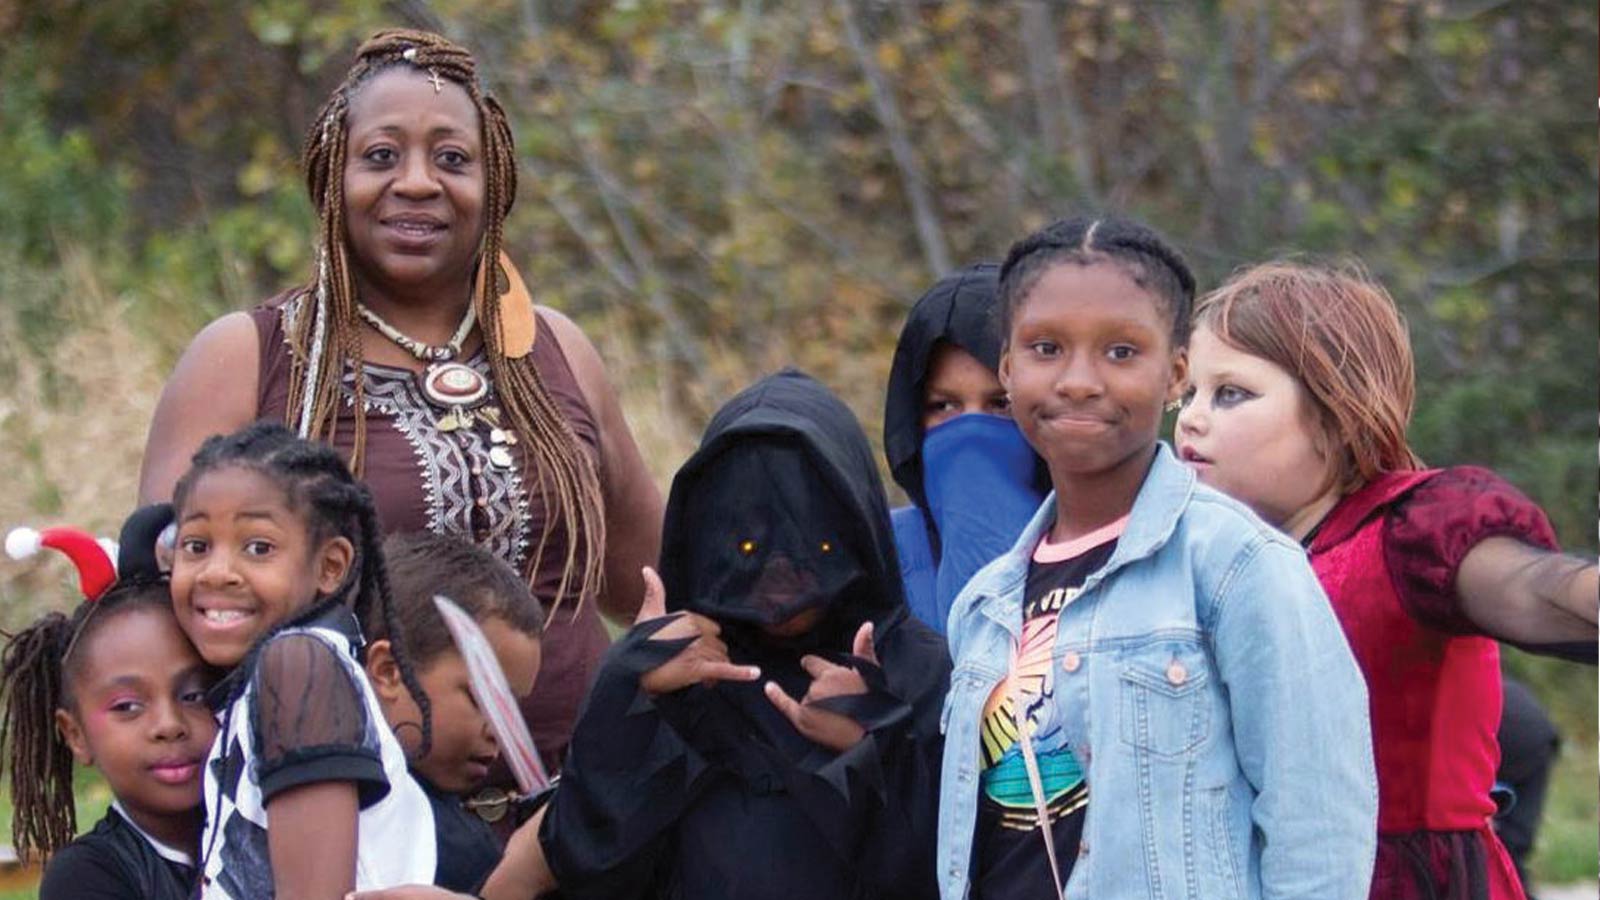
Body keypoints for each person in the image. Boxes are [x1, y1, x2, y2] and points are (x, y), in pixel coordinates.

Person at [136, 28, 663, 770]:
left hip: (583, 810)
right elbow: (167, 599)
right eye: (381, 156)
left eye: (452, 159)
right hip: (357, 818)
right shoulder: (247, 357)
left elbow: (652, 579)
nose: (418, 182)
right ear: (331, 178)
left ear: (496, 182)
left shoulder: (558, 350)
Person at [939, 217, 1377, 900]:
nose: (1079, 381)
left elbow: (1319, 831)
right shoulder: (984, 605)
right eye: (1047, 348)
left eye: (1120, 352)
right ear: (1007, 367)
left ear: (1175, 373)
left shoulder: (1238, 568)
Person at [1175, 260, 1598, 900]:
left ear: (1333, 413)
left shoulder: (1410, 532)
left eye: (1230, 393)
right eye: (1187, 394)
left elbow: (1538, 589)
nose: (1190, 419)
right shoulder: (1210, 560)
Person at [528, 369, 950, 900]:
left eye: (810, 550)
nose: (779, 577)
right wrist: (623, 695)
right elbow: (587, 865)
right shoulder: (666, 677)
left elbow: (954, 872)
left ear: (854, 532)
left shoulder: (918, 671)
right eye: (748, 550)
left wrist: (875, 748)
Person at [170, 422, 436, 898]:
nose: (217, 572)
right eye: (196, 546)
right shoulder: (278, 669)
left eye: (259, 548)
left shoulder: (297, 667)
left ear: (330, 567)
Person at [1, 506, 217, 900]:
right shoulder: (86, 877)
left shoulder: (274, 825)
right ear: (76, 734)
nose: (169, 724)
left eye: (195, 695)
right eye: (127, 706)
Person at [363, 532, 545, 895]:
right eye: (486, 700)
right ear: (389, 671)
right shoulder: (452, 847)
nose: (499, 733)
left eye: (512, 710)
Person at [883, 262, 1047, 634]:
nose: (972, 432)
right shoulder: (879, 558)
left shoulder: (1114, 549)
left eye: (1001, 404)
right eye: (943, 406)